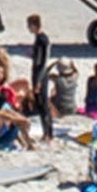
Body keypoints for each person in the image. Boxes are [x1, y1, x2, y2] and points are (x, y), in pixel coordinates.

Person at [27, 14, 56, 142]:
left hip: (41, 74)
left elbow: (43, 61)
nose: (28, 28)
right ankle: (46, 132)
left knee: (43, 105)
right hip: (37, 73)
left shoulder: (42, 40)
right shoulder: (39, 39)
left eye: (29, 26)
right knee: (39, 105)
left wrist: (38, 81)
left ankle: (49, 133)